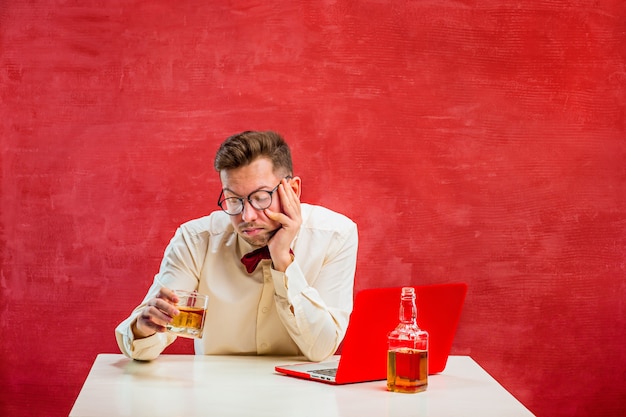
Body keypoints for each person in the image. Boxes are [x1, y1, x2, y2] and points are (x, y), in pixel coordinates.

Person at [115, 130, 358, 362]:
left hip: (303, 396)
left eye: (261, 197)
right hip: (214, 396)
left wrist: (283, 259)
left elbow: (322, 349)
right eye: (233, 200)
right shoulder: (195, 239)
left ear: (292, 190)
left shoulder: (335, 235)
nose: (247, 215)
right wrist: (144, 327)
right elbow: (139, 344)